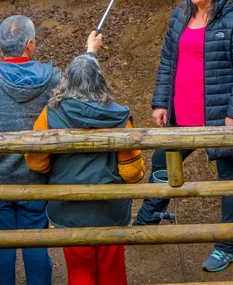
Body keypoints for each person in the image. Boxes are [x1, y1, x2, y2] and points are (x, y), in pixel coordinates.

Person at [0, 15, 103, 285]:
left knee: (0, 248)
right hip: (37, 176)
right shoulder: (54, 79)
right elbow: (82, 96)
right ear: (30, 44)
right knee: (36, 244)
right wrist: (90, 54)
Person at [132, 0, 233, 272]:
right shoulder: (181, 13)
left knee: (229, 179)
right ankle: (147, 222)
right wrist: (161, 103)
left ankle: (227, 245)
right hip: (183, 111)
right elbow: (167, 62)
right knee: (163, 162)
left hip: (224, 115)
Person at [25, 54, 145, 285]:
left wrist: (55, 167)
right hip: (110, 208)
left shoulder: (49, 115)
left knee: (79, 270)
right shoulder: (119, 117)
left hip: (69, 206)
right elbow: (131, 173)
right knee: (112, 270)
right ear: (100, 81)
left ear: (66, 82)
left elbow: (36, 162)